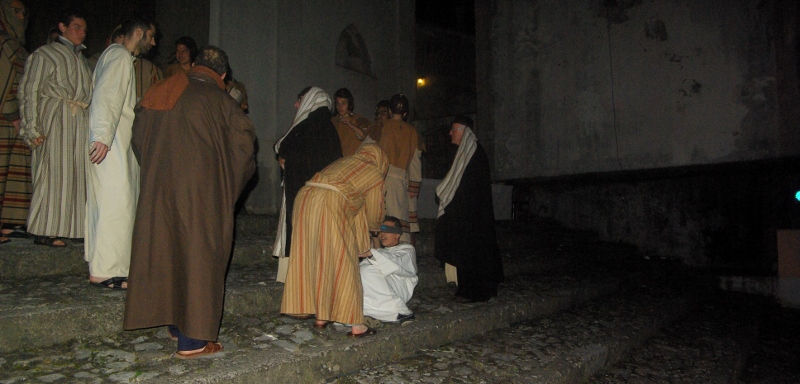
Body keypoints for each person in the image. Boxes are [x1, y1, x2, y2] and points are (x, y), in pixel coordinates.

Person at [123, 46, 255, 360]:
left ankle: (173, 323)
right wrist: (225, 191)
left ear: (194, 64)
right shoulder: (223, 102)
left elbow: (138, 136)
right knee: (199, 259)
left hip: (160, 190)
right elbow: (244, 153)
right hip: (202, 195)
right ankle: (192, 340)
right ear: (223, 75)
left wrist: (157, 170)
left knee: (168, 251)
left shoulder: (162, 89)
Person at [281, 143, 388, 338]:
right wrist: (374, 229)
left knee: (316, 257)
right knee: (343, 262)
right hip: (331, 202)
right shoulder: (373, 172)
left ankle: (321, 316)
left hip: (305, 198)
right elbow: (374, 211)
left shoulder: (345, 162)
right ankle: (357, 325)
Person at [85, 18, 156, 290]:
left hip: (112, 139)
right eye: (150, 36)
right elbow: (107, 96)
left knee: (108, 203)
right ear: (137, 33)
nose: (153, 42)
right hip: (111, 142)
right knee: (117, 204)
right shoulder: (119, 56)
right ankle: (107, 270)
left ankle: (102, 265)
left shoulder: (113, 55)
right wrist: (102, 136)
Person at [18, 10, 91, 247]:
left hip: (78, 120)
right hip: (54, 118)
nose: (81, 32)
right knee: (51, 172)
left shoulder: (83, 60)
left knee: (75, 175)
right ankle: (44, 230)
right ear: (62, 27)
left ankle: (73, 227)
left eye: (84, 29)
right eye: (76, 27)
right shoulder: (45, 54)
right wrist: (32, 128)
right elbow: (29, 91)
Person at [272, 86, 342, 282]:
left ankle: (296, 277)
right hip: (324, 195)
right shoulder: (330, 128)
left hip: (301, 191)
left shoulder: (306, 125)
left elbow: (282, 146)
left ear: (310, 100)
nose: (296, 104)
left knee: (299, 231)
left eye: (300, 99)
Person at [434, 115, 504, 302]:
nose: (450, 133)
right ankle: (467, 289)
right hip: (466, 214)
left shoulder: (472, 153)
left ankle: (473, 291)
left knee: (471, 252)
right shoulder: (464, 153)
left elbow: (468, 187)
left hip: (471, 216)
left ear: (464, 131)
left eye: (454, 129)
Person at [374, 93, 422, 243]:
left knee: (379, 219)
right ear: (405, 113)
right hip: (399, 182)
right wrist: (414, 185)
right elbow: (415, 161)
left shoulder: (380, 127)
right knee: (397, 221)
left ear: (389, 110)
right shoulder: (412, 132)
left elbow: (366, 152)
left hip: (378, 179)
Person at [0, 0, 30, 245]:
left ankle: (7, 224)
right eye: (15, 11)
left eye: (22, 12)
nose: (20, 17)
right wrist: (13, 114)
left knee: (11, 174)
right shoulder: (3, 43)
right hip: (5, 118)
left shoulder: (16, 45)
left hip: (14, 118)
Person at [359, 216, 417, 323]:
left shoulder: (407, 249)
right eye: (381, 231)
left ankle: (401, 312)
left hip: (398, 288)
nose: (383, 234)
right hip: (377, 289)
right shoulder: (380, 251)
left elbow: (396, 262)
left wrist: (372, 254)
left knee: (368, 271)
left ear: (397, 234)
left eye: (387, 231)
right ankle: (372, 313)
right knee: (362, 269)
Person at [331, 88, 371, 156]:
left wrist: (352, 124)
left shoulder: (360, 119)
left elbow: (367, 137)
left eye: (343, 103)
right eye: (338, 104)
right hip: (338, 161)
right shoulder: (333, 121)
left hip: (355, 159)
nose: (340, 107)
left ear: (349, 104)